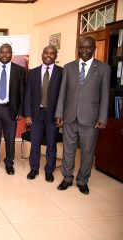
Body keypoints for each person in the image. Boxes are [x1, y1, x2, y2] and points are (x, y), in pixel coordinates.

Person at [55, 36, 110, 195]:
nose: (84, 51)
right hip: (69, 116)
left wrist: (102, 118)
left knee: (87, 151)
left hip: (91, 119)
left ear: (94, 49)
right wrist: (59, 113)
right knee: (68, 150)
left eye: (87, 48)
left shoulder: (103, 68)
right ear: (77, 48)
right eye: (81, 47)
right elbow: (62, 93)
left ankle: (83, 180)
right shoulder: (68, 67)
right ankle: (67, 178)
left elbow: (105, 95)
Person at [24, 46, 63, 182]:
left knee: (51, 144)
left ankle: (49, 171)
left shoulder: (61, 72)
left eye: (52, 53)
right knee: (35, 143)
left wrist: (60, 114)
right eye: (46, 53)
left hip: (53, 115)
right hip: (36, 114)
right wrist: (28, 114)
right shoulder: (33, 73)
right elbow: (27, 95)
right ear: (42, 54)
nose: (48, 55)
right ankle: (34, 169)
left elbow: (63, 96)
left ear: (56, 56)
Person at [0, 43, 25, 175]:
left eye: (7, 52)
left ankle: (9, 163)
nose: (4, 54)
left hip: (10, 110)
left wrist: (20, 111)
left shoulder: (19, 70)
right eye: (2, 52)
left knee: (10, 139)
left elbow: (22, 92)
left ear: (11, 54)